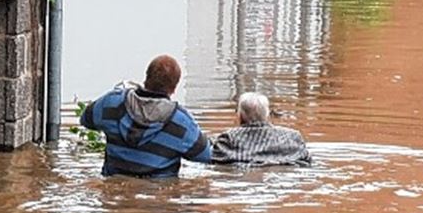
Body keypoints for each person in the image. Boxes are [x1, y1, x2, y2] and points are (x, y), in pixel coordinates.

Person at [79, 54, 212, 178]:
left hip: (114, 192)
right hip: (158, 197)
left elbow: (85, 120)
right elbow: (206, 155)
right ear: (173, 89)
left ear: (146, 77)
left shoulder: (111, 103)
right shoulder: (181, 122)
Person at [211, 92, 311, 167]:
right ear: (267, 114)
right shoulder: (293, 136)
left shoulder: (228, 138)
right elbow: (307, 161)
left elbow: (216, 161)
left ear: (240, 115)